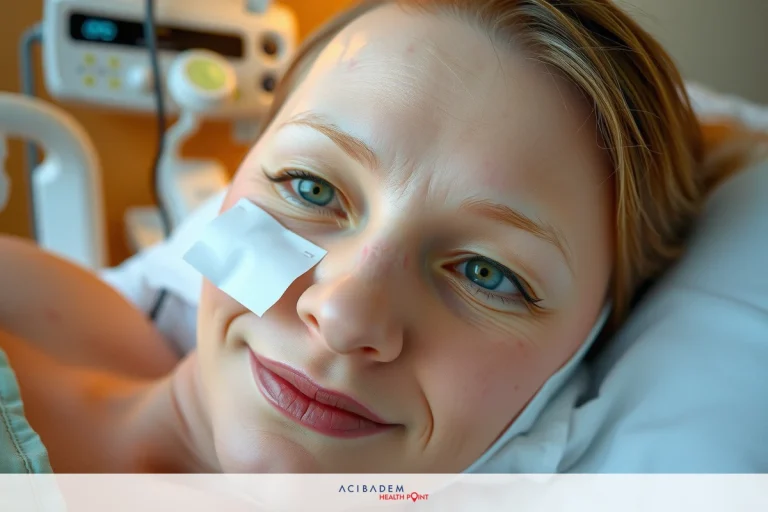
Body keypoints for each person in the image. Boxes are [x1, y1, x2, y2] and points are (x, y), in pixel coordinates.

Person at [0, 0, 762, 473]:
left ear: (581, 354)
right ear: (240, 175)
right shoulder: (59, 306)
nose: (343, 317)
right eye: (312, 188)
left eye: (487, 273)